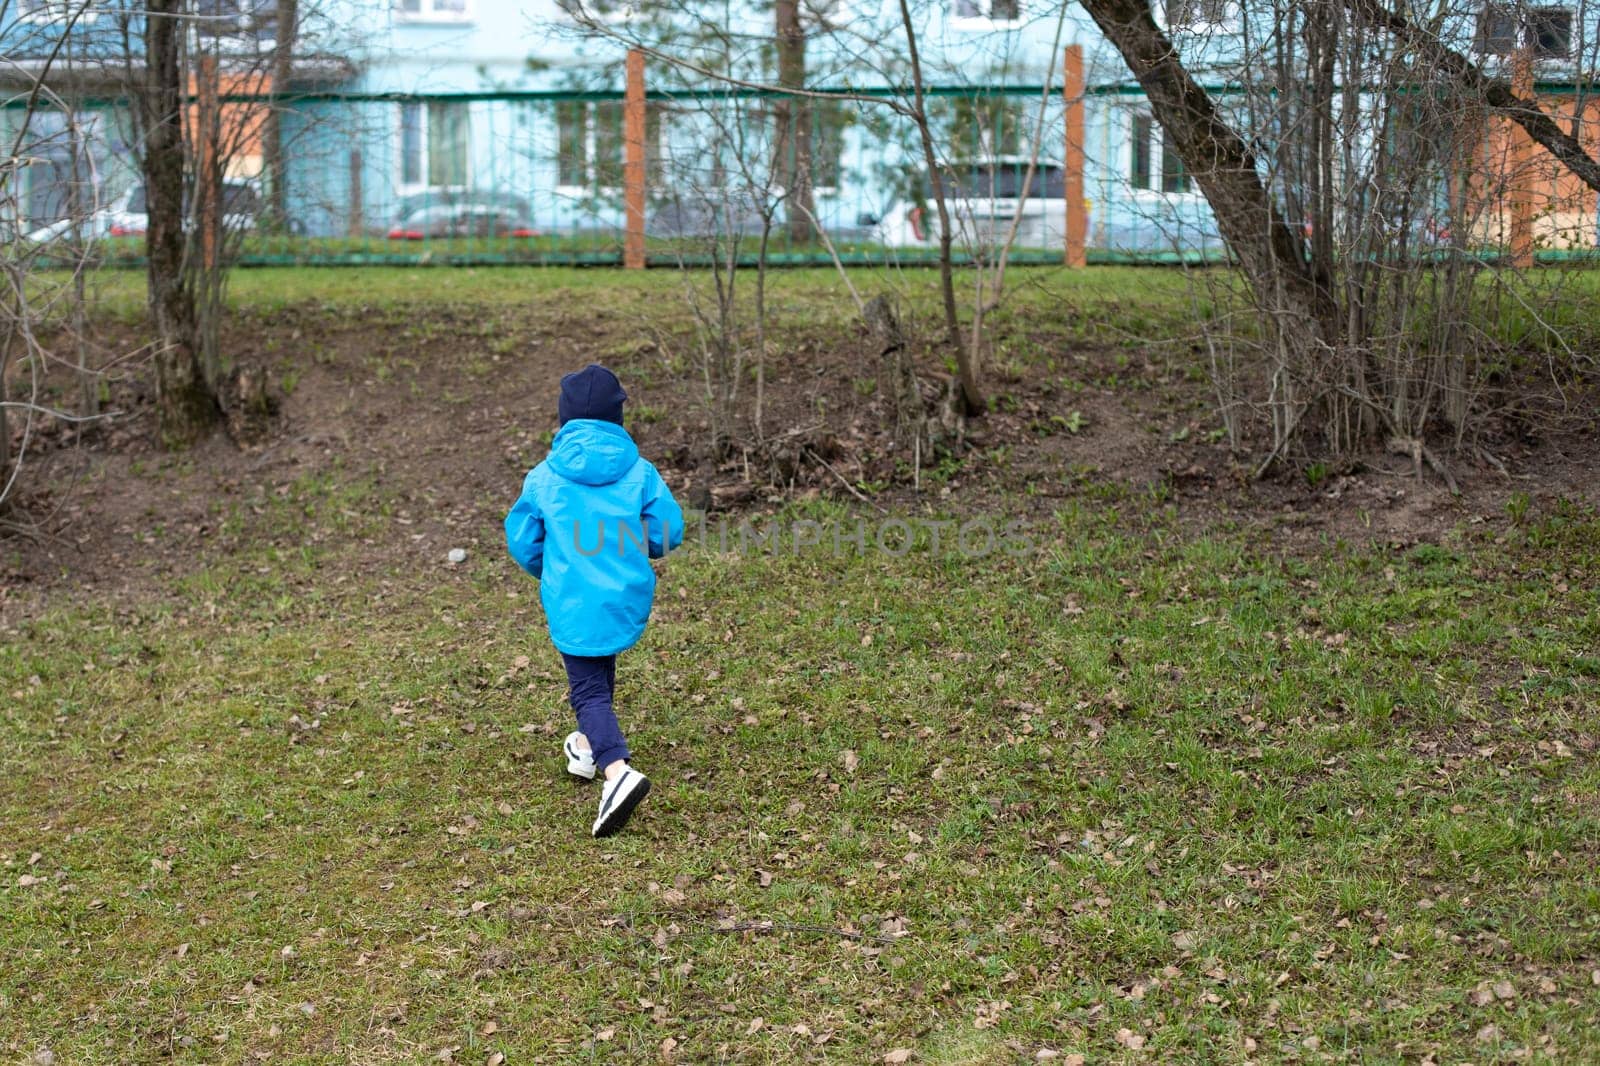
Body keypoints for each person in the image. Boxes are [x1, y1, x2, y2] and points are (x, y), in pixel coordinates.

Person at [504, 364, 684, 838]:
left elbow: (524, 541)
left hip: (572, 598)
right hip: (621, 595)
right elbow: (668, 531)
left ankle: (615, 771)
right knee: (598, 668)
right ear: (617, 419)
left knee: (585, 688)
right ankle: (586, 745)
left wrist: (554, 566)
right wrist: (629, 549)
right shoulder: (639, 472)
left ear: (564, 420)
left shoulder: (544, 477)